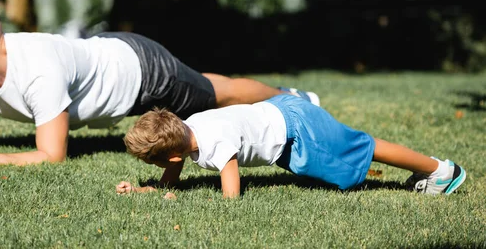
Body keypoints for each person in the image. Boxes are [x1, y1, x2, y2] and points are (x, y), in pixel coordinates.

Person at [0, 0, 319, 169]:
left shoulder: (37, 66)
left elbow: (52, 154)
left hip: (139, 70)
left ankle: (291, 99)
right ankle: (285, 96)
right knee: (207, 85)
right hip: (105, 55)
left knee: (213, 94)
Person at [116, 94, 467, 198]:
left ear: (172, 154)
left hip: (298, 128)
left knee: (361, 150)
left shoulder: (215, 144)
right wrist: (144, 189)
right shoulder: (186, 127)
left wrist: (176, 200)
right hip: (281, 111)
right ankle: (433, 169)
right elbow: (171, 177)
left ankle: (441, 171)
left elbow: (231, 196)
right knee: (342, 168)